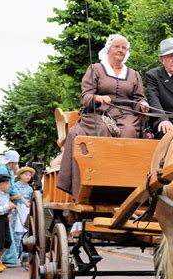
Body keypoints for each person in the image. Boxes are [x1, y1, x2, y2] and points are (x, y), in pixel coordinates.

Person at [57, 34, 149, 196]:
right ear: (108, 49)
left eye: (124, 48)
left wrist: (142, 104)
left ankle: (124, 184)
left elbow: (138, 98)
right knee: (102, 131)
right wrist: (97, 98)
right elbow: (85, 96)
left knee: (128, 131)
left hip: (126, 115)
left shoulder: (134, 74)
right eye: (117, 47)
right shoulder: (96, 69)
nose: (120, 50)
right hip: (98, 112)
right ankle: (97, 182)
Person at [12, 166, 35, 262]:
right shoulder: (15, 185)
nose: (28, 177)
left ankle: (24, 254)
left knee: (25, 231)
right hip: (17, 209)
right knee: (16, 231)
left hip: (26, 210)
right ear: (20, 175)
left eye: (30, 175)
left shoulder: (30, 189)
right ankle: (15, 254)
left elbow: (31, 200)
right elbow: (12, 196)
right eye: (26, 174)